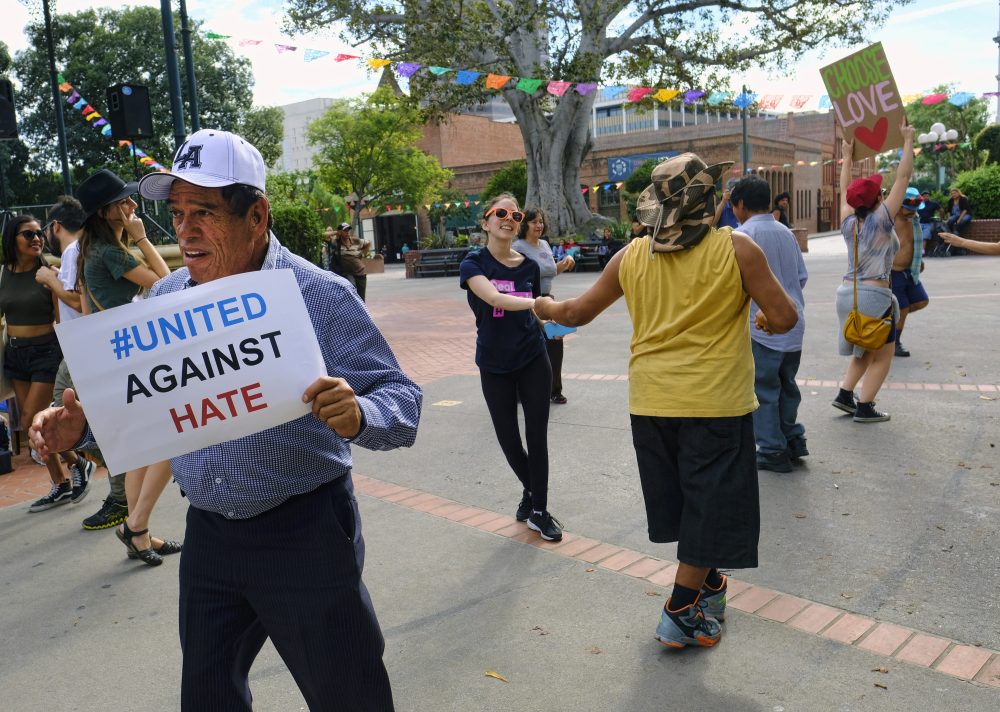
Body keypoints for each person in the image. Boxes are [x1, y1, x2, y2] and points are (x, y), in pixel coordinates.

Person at [31, 128, 421, 710]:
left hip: (305, 531)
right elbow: (143, 412)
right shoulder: (166, 297)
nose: (184, 230)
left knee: (349, 691)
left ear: (256, 215)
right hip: (210, 533)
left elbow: (402, 401)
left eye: (205, 212)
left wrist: (360, 413)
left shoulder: (320, 294)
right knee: (208, 696)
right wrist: (79, 433)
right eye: (178, 211)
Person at [535, 153, 798, 649]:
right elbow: (784, 317)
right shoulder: (737, 249)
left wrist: (540, 304)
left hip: (651, 403)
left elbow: (573, 312)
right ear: (712, 200)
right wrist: (761, 320)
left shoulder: (632, 255)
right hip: (715, 403)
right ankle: (679, 613)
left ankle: (710, 585)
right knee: (711, 506)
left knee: (689, 506)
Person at [74, 169, 179, 563]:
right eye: (125, 202)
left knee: (139, 448)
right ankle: (135, 525)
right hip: (134, 359)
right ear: (106, 212)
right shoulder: (111, 253)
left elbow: (86, 314)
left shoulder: (91, 252)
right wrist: (142, 236)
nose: (134, 206)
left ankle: (139, 531)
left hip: (113, 359)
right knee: (174, 438)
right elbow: (167, 283)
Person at [459, 193, 562, 542]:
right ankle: (530, 490)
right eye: (500, 213)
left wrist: (559, 321)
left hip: (533, 357)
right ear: (486, 222)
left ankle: (539, 510)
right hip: (494, 363)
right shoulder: (473, 263)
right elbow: (491, 297)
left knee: (537, 436)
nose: (509, 218)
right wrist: (536, 301)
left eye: (515, 214)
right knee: (508, 439)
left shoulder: (529, 267)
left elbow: (535, 313)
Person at [0, 214, 86, 511]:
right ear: (12, 239)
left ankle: (72, 466)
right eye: (28, 234)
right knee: (29, 425)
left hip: (45, 352)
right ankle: (63, 481)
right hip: (15, 353)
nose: (37, 239)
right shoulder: (2, 275)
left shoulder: (50, 273)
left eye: (39, 234)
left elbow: (61, 315)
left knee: (29, 420)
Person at [832, 123, 915, 423]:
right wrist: (907, 141)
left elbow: (844, 187)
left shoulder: (847, 219)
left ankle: (845, 393)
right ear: (878, 200)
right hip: (874, 296)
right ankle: (865, 407)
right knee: (883, 354)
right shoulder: (881, 218)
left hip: (847, 293)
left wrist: (845, 154)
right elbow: (903, 177)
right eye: (881, 192)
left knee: (865, 347)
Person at [729, 176, 808, 473]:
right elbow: (801, 277)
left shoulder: (741, 237)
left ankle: (772, 449)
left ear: (740, 205)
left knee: (763, 389)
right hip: (794, 323)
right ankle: (793, 438)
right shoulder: (785, 232)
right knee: (788, 385)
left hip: (761, 329)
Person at [514, 207, 576, 405]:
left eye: (540, 221)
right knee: (526, 348)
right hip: (528, 302)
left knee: (555, 344)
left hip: (548, 300)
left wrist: (564, 264)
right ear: (525, 224)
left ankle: (554, 390)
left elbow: (549, 272)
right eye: (534, 222)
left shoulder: (545, 245)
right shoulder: (518, 247)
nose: (539, 225)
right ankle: (518, 390)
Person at [890, 188, 930, 358]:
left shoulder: (914, 220)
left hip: (910, 272)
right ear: (899, 206)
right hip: (894, 273)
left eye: (915, 210)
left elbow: (914, 243)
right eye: (909, 209)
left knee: (921, 301)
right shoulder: (889, 221)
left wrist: (918, 260)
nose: (913, 213)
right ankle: (894, 343)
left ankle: (889, 322)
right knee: (903, 307)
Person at [336, 221, 371, 301]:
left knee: (362, 299)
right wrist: (336, 232)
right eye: (345, 230)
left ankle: (361, 313)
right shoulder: (337, 243)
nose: (347, 232)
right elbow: (323, 236)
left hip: (361, 273)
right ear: (340, 232)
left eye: (348, 230)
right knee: (352, 289)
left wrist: (363, 253)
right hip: (348, 273)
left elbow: (368, 243)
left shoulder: (355, 240)